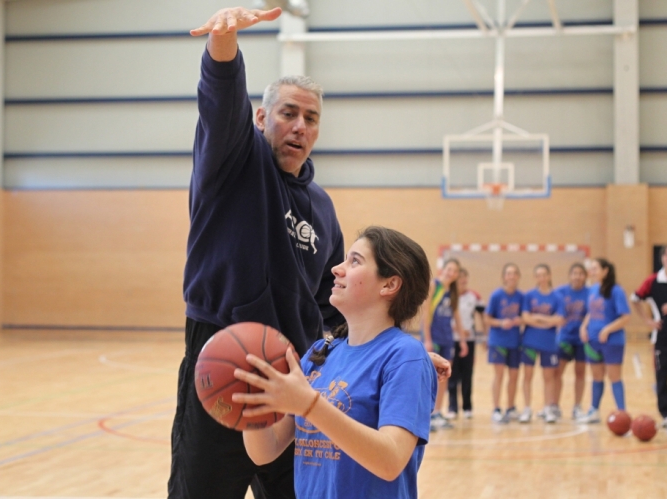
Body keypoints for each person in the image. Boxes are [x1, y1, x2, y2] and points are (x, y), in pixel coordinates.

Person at [172, 8, 451, 498]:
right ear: (262, 118)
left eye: (311, 118)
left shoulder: (322, 208)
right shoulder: (234, 160)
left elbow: (337, 310)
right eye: (288, 114)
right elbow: (220, 99)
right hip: (223, 358)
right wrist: (224, 40)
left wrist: (393, 355)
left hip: (300, 372)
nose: (300, 126)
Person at [233, 226, 437, 499]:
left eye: (355, 261)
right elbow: (264, 452)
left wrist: (309, 404)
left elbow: (391, 460)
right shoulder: (321, 352)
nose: (336, 269)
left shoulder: (405, 356)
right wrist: (251, 400)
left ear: (389, 285)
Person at [631, 245, 667, 428]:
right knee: (661, 374)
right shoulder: (653, 281)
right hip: (661, 335)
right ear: (661, 258)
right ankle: (666, 414)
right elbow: (635, 299)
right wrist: (647, 320)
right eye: (666, 255)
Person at [577, 258, 631, 424]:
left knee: (614, 377)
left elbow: (626, 317)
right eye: (591, 269)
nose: (592, 272)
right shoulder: (592, 289)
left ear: (605, 270)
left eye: (595, 268)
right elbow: (591, 311)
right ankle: (593, 411)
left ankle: (622, 415)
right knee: (597, 376)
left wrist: (607, 329)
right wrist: (583, 327)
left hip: (612, 341)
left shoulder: (616, 290)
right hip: (593, 340)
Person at [423, 259, 469, 430]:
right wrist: (427, 339)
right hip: (434, 337)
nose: (451, 273)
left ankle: (437, 412)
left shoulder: (453, 291)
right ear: (443, 269)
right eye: (449, 269)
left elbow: (456, 316)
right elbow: (425, 314)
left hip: (447, 338)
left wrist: (462, 340)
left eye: (455, 271)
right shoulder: (434, 286)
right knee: (430, 377)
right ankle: (426, 415)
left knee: (443, 376)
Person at [520, 264, 565, 424]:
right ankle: (527, 408)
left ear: (549, 276)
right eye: (538, 275)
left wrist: (538, 317)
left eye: (544, 274)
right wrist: (548, 321)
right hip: (530, 341)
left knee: (549, 377)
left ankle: (547, 408)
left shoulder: (557, 297)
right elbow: (526, 317)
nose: (542, 278)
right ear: (535, 277)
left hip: (549, 343)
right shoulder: (529, 295)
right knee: (528, 376)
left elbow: (560, 319)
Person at [484, 263, 524, 423]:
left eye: (514, 273)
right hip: (498, 341)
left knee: (514, 376)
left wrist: (521, 320)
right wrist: (501, 323)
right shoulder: (496, 295)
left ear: (518, 276)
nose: (511, 276)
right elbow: (487, 319)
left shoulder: (521, 296)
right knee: (499, 375)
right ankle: (496, 409)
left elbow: (525, 316)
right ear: (504, 277)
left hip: (515, 342)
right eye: (508, 273)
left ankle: (511, 407)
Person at [447, 268, 485, 420]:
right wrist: (457, 329)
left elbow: (483, 316)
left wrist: (484, 336)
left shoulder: (474, 296)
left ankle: (467, 407)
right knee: (452, 374)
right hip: (452, 340)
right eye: (460, 277)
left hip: (469, 341)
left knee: (467, 374)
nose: (463, 280)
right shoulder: (449, 296)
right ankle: (452, 407)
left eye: (465, 277)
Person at [553, 263, 589, 420]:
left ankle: (577, 406)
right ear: (569, 275)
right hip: (565, 338)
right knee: (557, 372)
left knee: (580, 372)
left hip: (582, 339)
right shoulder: (560, 292)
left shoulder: (590, 293)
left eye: (581, 273)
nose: (577, 276)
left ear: (585, 276)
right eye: (574, 273)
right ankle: (554, 405)